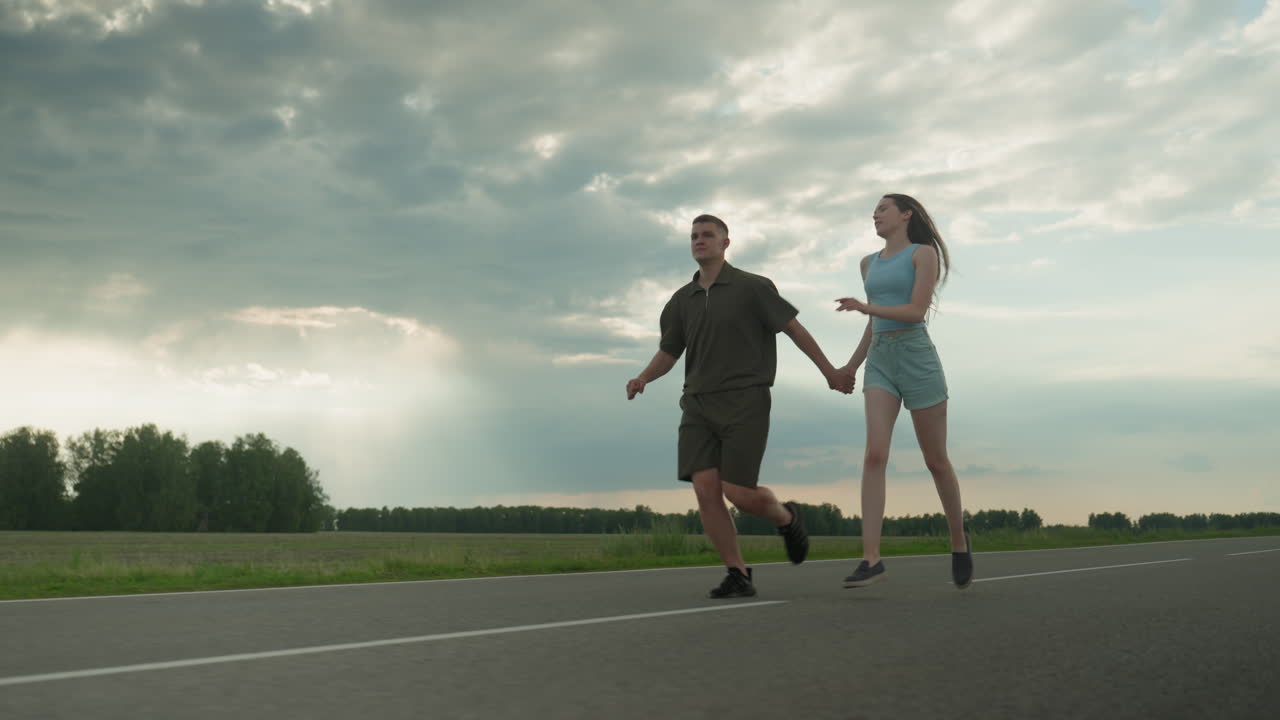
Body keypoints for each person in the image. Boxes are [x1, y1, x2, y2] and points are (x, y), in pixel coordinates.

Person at [627, 214, 855, 599]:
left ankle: (787, 517)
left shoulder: (753, 288)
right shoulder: (681, 301)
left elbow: (794, 329)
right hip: (697, 404)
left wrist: (830, 371)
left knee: (739, 493)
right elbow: (669, 351)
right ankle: (737, 572)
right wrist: (644, 378)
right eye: (694, 236)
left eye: (708, 235)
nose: (700, 241)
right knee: (705, 488)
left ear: (725, 243)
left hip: (745, 400)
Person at [834, 194, 974, 589]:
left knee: (936, 461)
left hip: (916, 359)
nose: (875, 214)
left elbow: (914, 312)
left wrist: (866, 308)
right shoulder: (869, 263)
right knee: (875, 453)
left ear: (905, 214)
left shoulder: (922, 253)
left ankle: (959, 542)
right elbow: (873, 322)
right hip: (881, 360)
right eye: (874, 210)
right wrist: (851, 365)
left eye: (883, 208)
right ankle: (872, 559)